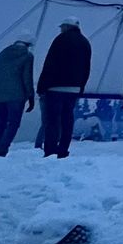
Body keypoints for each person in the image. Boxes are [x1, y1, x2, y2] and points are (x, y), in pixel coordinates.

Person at [37, 19, 91, 159]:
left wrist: (42, 86)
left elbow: (50, 63)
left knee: (53, 120)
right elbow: (87, 67)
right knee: (67, 119)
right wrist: (81, 86)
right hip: (74, 88)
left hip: (55, 86)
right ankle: (63, 149)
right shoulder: (85, 42)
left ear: (66, 27)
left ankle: (50, 150)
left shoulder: (60, 40)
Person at [0, 36, 35, 157]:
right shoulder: (27, 56)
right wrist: (30, 96)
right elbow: (27, 77)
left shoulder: (2, 54)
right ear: (28, 45)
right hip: (16, 95)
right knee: (13, 123)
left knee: (0, 123)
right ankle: (2, 148)